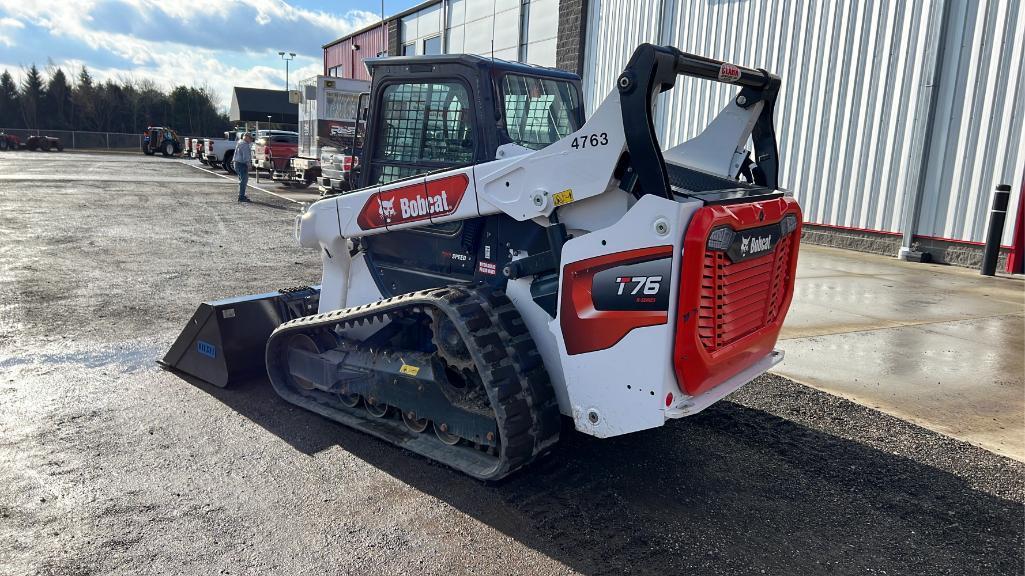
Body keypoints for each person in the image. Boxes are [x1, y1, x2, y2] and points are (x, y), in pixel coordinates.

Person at [234, 132, 253, 202]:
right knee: (244, 181)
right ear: (247, 137)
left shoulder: (240, 142)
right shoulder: (245, 144)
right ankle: (241, 196)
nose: (251, 140)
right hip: (242, 164)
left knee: (241, 180)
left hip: (237, 163)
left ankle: (241, 195)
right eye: (250, 138)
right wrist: (249, 165)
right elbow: (246, 156)